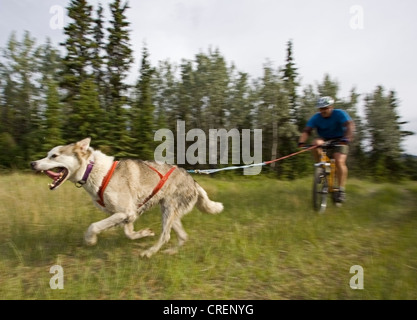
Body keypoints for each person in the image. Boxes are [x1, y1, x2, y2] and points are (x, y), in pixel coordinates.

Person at [298, 96, 355, 203]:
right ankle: (321, 167)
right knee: (315, 144)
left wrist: (347, 138)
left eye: (325, 108)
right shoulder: (316, 117)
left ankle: (341, 190)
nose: (323, 111)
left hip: (340, 139)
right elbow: (307, 130)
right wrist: (301, 142)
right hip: (325, 139)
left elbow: (349, 125)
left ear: (331, 107)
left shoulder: (339, 113)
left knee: (339, 160)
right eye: (321, 109)